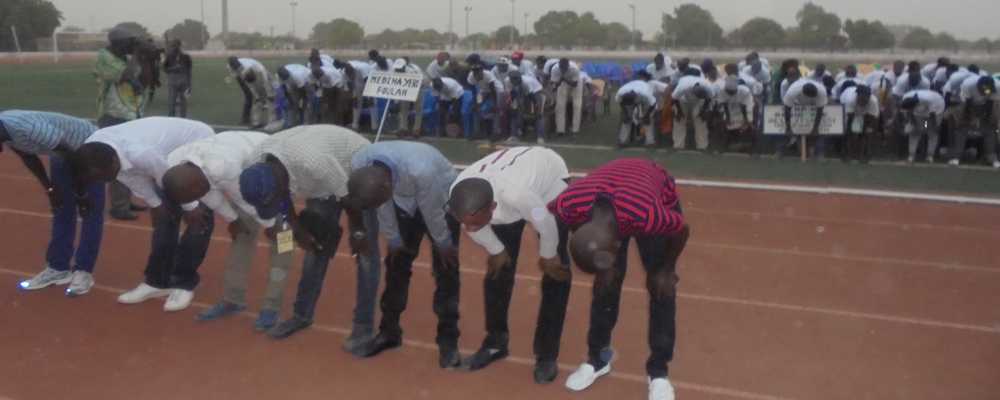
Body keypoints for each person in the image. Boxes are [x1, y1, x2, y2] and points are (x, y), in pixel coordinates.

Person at [549, 158, 689, 400]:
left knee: (662, 288)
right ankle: (598, 360)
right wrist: (604, 271)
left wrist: (666, 269)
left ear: (617, 243)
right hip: (609, 201)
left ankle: (658, 372)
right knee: (605, 288)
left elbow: (681, 230)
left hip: (650, 190)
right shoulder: (569, 202)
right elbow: (566, 220)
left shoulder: (648, 215)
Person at [238, 125, 379, 355]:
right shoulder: (257, 163)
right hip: (318, 183)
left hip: (354, 171)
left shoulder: (313, 162)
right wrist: (296, 227)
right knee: (315, 245)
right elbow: (282, 197)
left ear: (281, 181)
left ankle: (363, 327)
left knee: (364, 254)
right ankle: (302, 314)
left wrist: (358, 232)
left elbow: (350, 201)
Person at [447, 146, 572, 384]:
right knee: (498, 270)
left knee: (556, 272)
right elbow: (470, 224)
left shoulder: (518, 196)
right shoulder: (460, 193)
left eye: (475, 224)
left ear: (492, 209)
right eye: (465, 223)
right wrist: (497, 250)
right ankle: (496, 342)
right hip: (503, 188)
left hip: (550, 182)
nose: (469, 230)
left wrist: (548, 255)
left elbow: (544, 222)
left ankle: (547, 354)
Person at [338, 141, 463, 368]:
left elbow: (432, 210)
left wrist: (443, 242)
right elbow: (381, 204)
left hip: (441, 199)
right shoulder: (361, 165)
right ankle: (389, 332)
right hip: (404, 201)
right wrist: (394, 239)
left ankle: (448, 341)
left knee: (446, 270)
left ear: (388, 186)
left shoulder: (421, 169)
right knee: (396, 266)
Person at [74, 117, 215, 312]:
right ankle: (157, 281)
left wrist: (190, 206)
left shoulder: (140, 154)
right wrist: (155, 203)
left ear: (115, 161)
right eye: (97, 179)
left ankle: (184, 282)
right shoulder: (95, 153)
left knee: (199, 218)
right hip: (162, 156)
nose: (103, 182)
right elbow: (128, 176)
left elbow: (172, 180)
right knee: (164, 219)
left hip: (196, 143)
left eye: (103, 176)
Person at [159, 131, 292, 331]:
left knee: (283, 241)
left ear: (198, 183)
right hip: (241, 172)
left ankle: (272, 306)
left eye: (196, 194)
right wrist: (233, 220)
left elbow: (246, 201)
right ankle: (233, 299)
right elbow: (209, 195)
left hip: (274, 164)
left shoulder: (223, 166)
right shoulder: (174, 165)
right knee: (241, 234)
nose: (199, 198)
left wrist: (272, 223)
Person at [1, 111, 104, 296]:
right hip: (61, 152)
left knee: (89, 210)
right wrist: (49, 189)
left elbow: (72, 155)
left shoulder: (26, 126)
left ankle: (83, 271)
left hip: (90, 147)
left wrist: (81, 193)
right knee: (61, 207)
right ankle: (58, 268)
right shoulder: (6, 132)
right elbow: (29, 157)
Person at [95, 28, 144, 221]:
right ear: (116, 43)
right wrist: (138, 53)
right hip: (112, 115)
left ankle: (125, 200)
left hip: (129, 114)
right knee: (116, 161)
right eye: (128, 42)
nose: (130, 46)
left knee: (129, 161)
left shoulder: (123, 57)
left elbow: (138, 75)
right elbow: (125, 75)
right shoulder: (104, 57)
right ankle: (118, 206)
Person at [950, 76, 999, 167]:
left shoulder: (997, 87)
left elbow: (990, 105)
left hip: (986, 107)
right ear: (978, 86)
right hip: (967, 106)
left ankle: (992, 158)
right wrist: (971, 119)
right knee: (960, 130)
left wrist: (984, 119)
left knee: (991, 131)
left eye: (988, 90)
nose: (985, 92)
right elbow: (967, 105)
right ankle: (956, 157)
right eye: (983, 90)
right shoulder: (967, 85)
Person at [781, 80, 828, 158]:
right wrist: (788, 127)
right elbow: (787, 108)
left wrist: (815, 128)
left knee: (819, 131)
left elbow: (820, 110)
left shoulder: (822, 91)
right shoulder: (793, 91)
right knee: (799, 129)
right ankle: (801, 152)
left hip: (814, 106)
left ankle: (817, 152)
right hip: (797, 105)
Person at [671, 72, 716, 150]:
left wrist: (703, 111)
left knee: (700, 121)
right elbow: (674, 99)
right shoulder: (683, 87)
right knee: (679, 120)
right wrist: (679, 111)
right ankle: (678, 146)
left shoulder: (708, 87)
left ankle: (702, 146)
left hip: (699, 102)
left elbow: (708, 99)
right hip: (682, 100)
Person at [227, 56, 275, 128]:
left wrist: (268, 92)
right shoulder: (230, 67)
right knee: (249, 96)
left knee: (269, 91)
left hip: (258, 71)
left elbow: (265, 81)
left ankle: (270, 115)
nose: (238, 70)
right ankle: (248, 120)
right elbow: (249, 85)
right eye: (237, 69)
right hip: (245, 76)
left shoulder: (255, 68)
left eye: (239, 69)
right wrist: (257, 96)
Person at [899, 90, 945, 163]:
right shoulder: (905, 98)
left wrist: (935, 126)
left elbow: (932, 116)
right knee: (914, 132)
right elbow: (909, 113)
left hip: (937, 108)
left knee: (932, 132)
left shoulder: (928, 100)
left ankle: (929, 156)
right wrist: (914, 124)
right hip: (920, 113)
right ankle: (911, 156)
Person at [713, 77, 756, 155]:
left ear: (735, 89)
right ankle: (724, 147)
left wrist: (746, 120)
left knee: (748, 124)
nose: (730, 94)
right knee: (728, 125)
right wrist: (728, 118)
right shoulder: (722, 91)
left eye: (731, 92)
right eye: (728, 92)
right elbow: (724, 104)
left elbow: (744, 106)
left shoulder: (744, 91)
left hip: (746, 108)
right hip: (731, 108)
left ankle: (751, 149)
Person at [615, 71, 658, 147]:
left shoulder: (645, 93)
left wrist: (647, 115)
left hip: (644, 101)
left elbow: (653, 104)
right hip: (628, 100)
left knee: (648, 120)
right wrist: (626, 113)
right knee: (626, 119)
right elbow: (621, 103)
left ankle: (650, 141)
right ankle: (622, 141)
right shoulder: (620, 93)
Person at [840, 84, 879, 162]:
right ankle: (847, 154)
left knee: (866, 133)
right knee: (850, 132)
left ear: (869, 97)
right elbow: (849, 124)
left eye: (865, 99)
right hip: (848, 103)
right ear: (858, 96)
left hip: (866, 111)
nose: (863, 101)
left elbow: (871, 122)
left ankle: (862, 155)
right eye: (861, 99)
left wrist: (866, 132)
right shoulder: (850, 100)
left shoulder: (873, 102)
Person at [506, 70, 547, 144]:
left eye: (516, 78)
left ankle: (540, 137)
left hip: (537, 93)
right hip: (521, 94)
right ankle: (514, 135)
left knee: (539, 115)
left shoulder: (526, 83)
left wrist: (537, 107)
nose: (514, 80)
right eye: (512, 79)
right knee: (514, 113)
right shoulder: (508, 82)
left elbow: (532, 98)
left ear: (519, 78)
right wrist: (513, 106)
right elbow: (512, 95)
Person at [468, 66, 506, 138]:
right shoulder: (471, 76)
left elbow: (493, 90)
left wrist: (495, 104)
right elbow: (474, 92)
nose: (476, 73)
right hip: (483, 91)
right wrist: (476, 103)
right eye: (474, 71)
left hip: (497, 90)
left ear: (481, 71)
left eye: (478, 71)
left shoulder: (488, 75)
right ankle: (477, 132)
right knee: (476, 109)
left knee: (496, 110)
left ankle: (496, 133)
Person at [393, 58, 426, 138]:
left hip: (418, 88)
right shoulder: (394, 70)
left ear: (404, 66)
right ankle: (403, 128)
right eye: (397, 68)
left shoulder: (413, 71)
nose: (398, 69)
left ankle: (416, 130)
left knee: (418, 110)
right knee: (403, 109)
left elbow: (422, 82)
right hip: (404, 90)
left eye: (400, 68)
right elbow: (395, 85)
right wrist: (396, 101)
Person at [551, 59, 584, 137]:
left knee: (577, 105)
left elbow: (574, 84)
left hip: (575, 82)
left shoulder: (574, 69)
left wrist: (564, 79)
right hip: (563, 82)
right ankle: (560, 130)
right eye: (561, 67)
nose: (562, 69)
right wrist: (559, 82)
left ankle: (575, 130)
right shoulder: (555, 69)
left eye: (564, 67)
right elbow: (555, 84)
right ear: (559, 65)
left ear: (567, 65)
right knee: (560, 106)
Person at [163, 39, 192, 118]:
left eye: (176, 46)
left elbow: (189, 72)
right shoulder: (169, 57)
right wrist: (174, 68)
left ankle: (181, 121)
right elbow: (164, 69)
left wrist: (189, 86)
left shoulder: (186, 57)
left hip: (181, 81)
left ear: (179, 46)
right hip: (175, 81)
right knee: (173, 103)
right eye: (173, 46)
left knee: (182, 104)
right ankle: (172, 121)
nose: (175, 48)